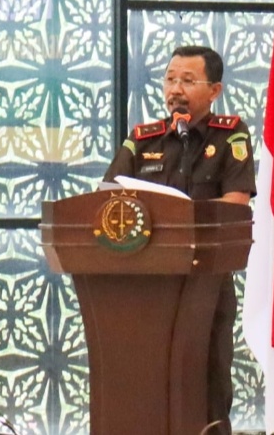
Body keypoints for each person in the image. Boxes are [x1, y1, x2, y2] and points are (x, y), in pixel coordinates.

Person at [103, 45, 255, 434]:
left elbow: (235, 203)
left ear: (215, 90)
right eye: (170, 79)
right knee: (146, 385)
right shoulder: (143, 140)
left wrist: (174, 219)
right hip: (146, 286)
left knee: (208, 385)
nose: (175, 90)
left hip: (206, 284)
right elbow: (108, 198)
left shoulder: (231, 136)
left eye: (188, 81)